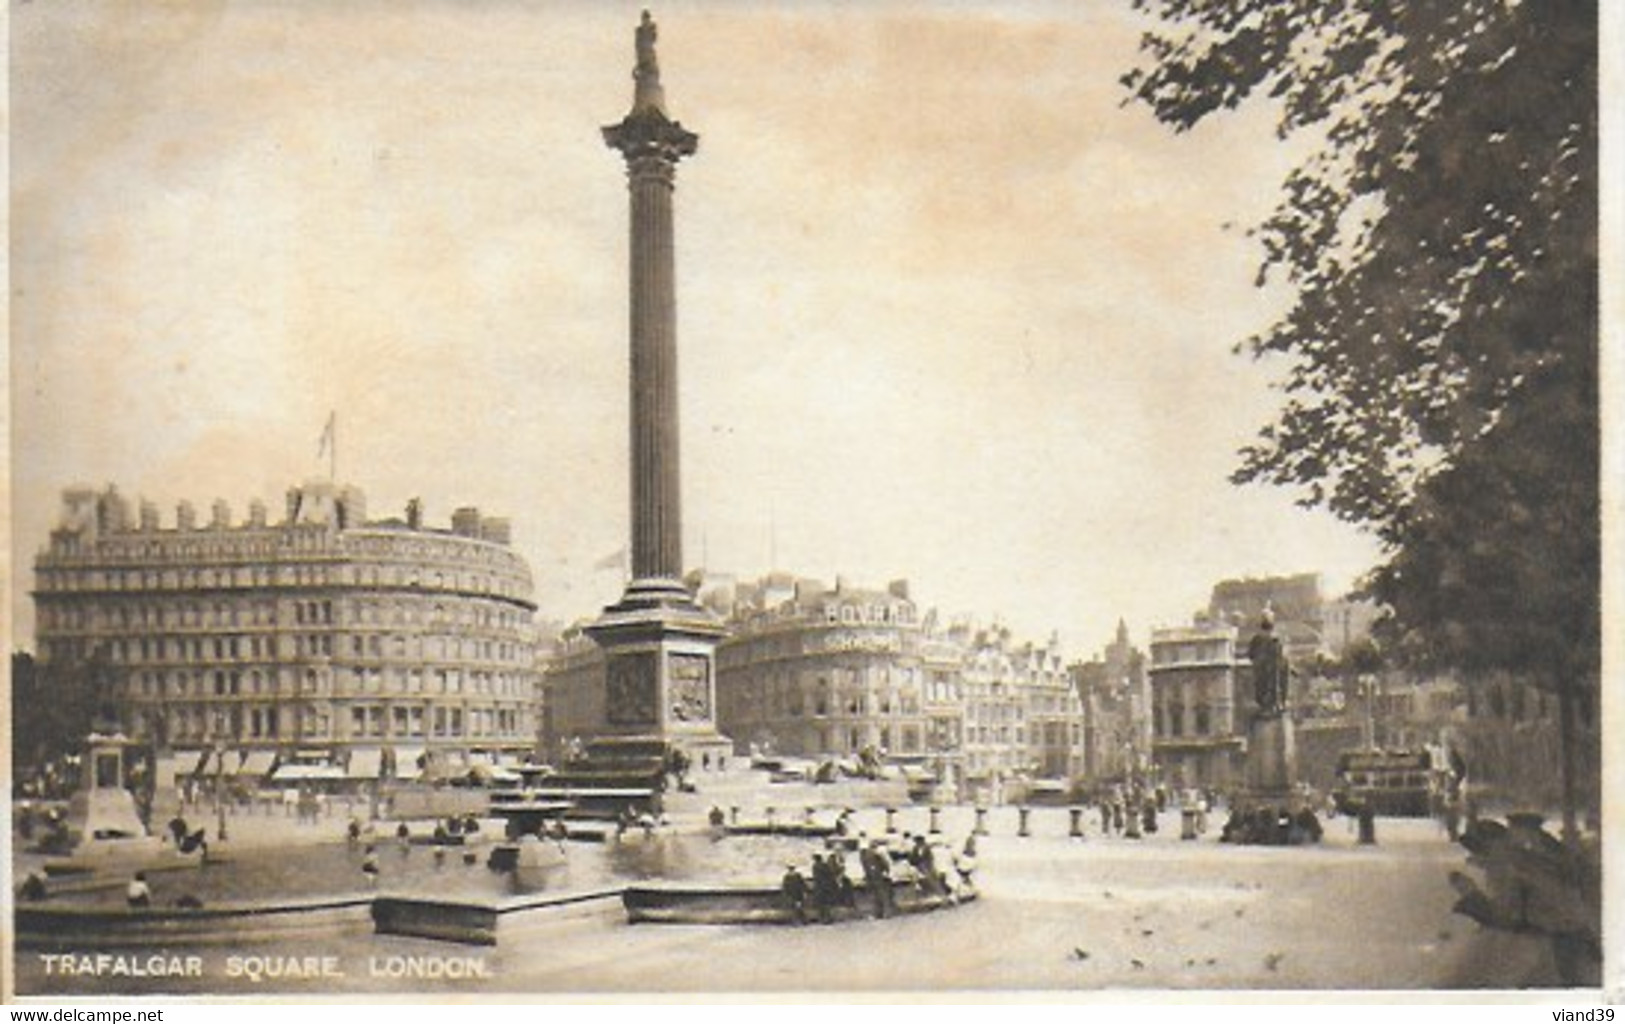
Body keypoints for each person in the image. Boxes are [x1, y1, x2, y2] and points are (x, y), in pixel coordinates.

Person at [1248, 611, 1289, 717]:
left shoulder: (1272, 639)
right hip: (1267, 671)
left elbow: (1251, 655)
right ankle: (1274, 704)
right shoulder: (1273, 639)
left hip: (1270, 671)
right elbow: (1251, 654)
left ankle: (1272, 705)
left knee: (1268, 686)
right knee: (1267, 686)